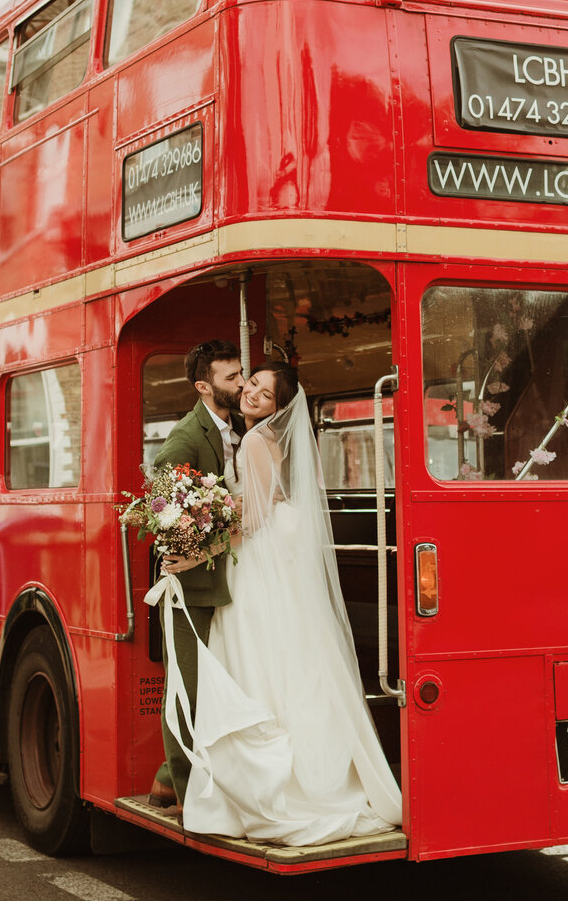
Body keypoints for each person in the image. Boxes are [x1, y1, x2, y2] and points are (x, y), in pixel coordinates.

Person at [148, 363, 403, 847]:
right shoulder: (260, 438)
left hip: (255, 556)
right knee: (282, 657)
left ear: (278, 407)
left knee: (255, 658)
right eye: (251, 384)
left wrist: (196, 552)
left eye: (265, 394)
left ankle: (274, 786)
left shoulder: (255, 441)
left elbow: (256, 517)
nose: (252, 393)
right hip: (266, 555)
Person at [148, 340, 245, 810]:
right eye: (232, 377)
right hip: (190, 588)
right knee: (187, 687)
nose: (242, 383)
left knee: (214, 686)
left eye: (242, 373)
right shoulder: (185, 439)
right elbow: (165, 514)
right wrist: (200, 547)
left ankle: (167, 779)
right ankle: (184, 793)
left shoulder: (235, 428)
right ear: (203, 387)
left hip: (223, 585)